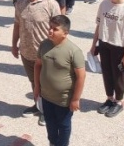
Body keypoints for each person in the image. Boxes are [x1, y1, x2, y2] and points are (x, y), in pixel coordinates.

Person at [12, 0, 62, 127]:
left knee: (47, 85)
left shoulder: (51, 4)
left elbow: (59, 30)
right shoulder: (20, 1)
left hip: (45, 54)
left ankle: (48, 112)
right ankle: (38, 105)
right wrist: (14, 44)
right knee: (34, 82)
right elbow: (17, 24)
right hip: (26, 52)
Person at [34, 15, 86, 146]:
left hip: (64, 100)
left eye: (55, 29)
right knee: (50, 123)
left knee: (63, 125)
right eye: (50, 28)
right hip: (46, 96)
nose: (50, 31)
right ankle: (52, 142)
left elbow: (81, 76)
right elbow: (38, 65)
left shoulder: (74, 51)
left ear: (65, 33)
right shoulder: (44, 45)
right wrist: (36, 87)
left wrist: (75, 99)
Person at [91, 0, 124, 118]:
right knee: (107, 73)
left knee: (118, 76)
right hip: (105, 43)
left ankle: (118, 101)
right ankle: (109, 98)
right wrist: (94, 45)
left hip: (119, 46)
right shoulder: (104, 5)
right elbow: (99, 25)